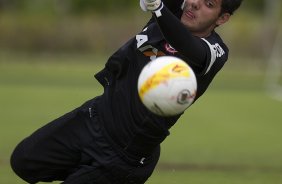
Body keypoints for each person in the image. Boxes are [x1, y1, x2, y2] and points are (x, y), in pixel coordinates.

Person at [10, 0, 243, 183]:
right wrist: (158, 6)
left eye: (209, 4)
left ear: (222, 18)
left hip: (123, 158)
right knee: (23, 161)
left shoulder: (214, 51)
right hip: (94, 117)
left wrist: (158, 8)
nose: (195, 3)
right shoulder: (173, 11)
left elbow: (186, 44)